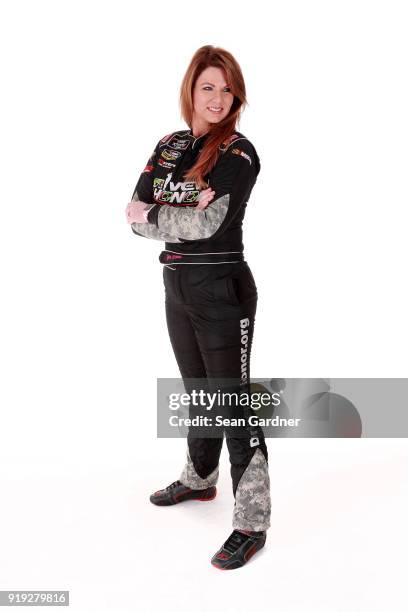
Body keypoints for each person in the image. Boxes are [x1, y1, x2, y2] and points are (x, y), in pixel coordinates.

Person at [125, 45, 271, 570]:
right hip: (176, 284)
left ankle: (252, 521)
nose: (217, 97)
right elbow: (133, 214)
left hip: (221, 286)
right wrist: (184, 202)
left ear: (237, 96)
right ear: (191, 88)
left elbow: (205, 225)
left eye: (227, 89)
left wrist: (165, 210)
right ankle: (200, 477)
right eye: (208, 86)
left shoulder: (239, 153)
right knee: (198, 392)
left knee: (232, 401)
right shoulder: (169, 146)